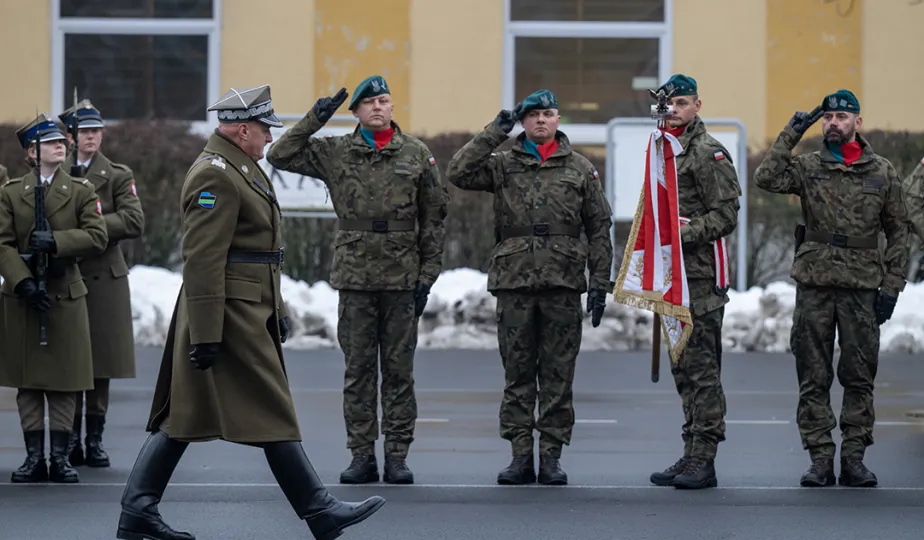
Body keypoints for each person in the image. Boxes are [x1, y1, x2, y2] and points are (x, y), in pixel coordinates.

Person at [116, 85, 386, 540]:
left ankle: (138, 512)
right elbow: (203, 258)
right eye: (263, 130)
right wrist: (204, 332)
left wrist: (276, 305)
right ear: (242, 129)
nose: (267, 138)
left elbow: (260, 252)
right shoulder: (215, 174)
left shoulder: (240, 167)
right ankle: (318, 510)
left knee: (183, 415)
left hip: (245, 306)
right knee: (269, 407)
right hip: (228, 312)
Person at [266, 75, 449, 485]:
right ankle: (362, 455)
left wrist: (428, 275)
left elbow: (434, 218)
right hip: (356, 278)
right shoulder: (337, 151)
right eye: (370, 103)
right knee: (358, 371)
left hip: (402, 277)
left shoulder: (416, 154)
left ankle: (398, 456)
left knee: (399, 372)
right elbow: (279, 154)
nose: (379, 108)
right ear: (357, 112)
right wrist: (317, 117)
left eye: (385, 100)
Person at [444, 89, 613, 486]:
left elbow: (599, 228)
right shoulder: (502, 164)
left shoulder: (579, 168)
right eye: (533, 114)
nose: (541, 121)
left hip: (563, 281)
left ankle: (551, 456)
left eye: (549, 114)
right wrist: (495, 130)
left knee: (558, 374)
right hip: (515, 280)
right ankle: (520, 455)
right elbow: (458, 172)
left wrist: (601, 282)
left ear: (558, 120)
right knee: (518, 373)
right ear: (522, 121)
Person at [754, 89, 908, 488]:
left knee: (859, 376)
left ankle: (854, 458)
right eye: (828, 118)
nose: (833, 124)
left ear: (858, 121)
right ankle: (820, 458)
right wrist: (792, 131)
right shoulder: (807, 167)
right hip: (816, 285)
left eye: (841, 118)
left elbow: (898, 231)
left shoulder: (882, 172)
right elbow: (766, 177)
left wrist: (892, 285)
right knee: (813, 375)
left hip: (861, 288)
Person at [643, 74, 741, 490]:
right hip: (672, 278)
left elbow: (725, 216)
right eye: (668, 105)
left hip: (699, 279)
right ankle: (689, 454)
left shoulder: (707, 153)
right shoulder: (663, 149)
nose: (674, 111)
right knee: (683, 370)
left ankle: (705, 457)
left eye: (681, 104)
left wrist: (678, 232)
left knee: (703, 372)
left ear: (697, 106)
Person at [0, 113, 109, 483]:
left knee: (65, 378)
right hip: (24, 296)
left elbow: (97, 236)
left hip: (65, 292)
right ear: (33, 151)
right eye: (50, 143)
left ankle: (60, 458)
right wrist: (22, 282)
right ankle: (34, 459)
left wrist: (59, 243)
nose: (60, 145)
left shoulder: (81, 191)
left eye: (62, 141)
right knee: (28, 380)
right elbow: (3, 243)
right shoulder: (11, 192)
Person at [58, 99, 145, 468]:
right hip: (65, 272)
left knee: (100, 361)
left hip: (103, 275)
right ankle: (68, 437)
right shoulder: (56, 173)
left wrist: (87, 228)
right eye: (84, 131)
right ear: (70, 136)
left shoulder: (116, 174)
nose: (91, 137)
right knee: (67, 358)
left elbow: (133, 219)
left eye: (96, 131)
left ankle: (93, 439)